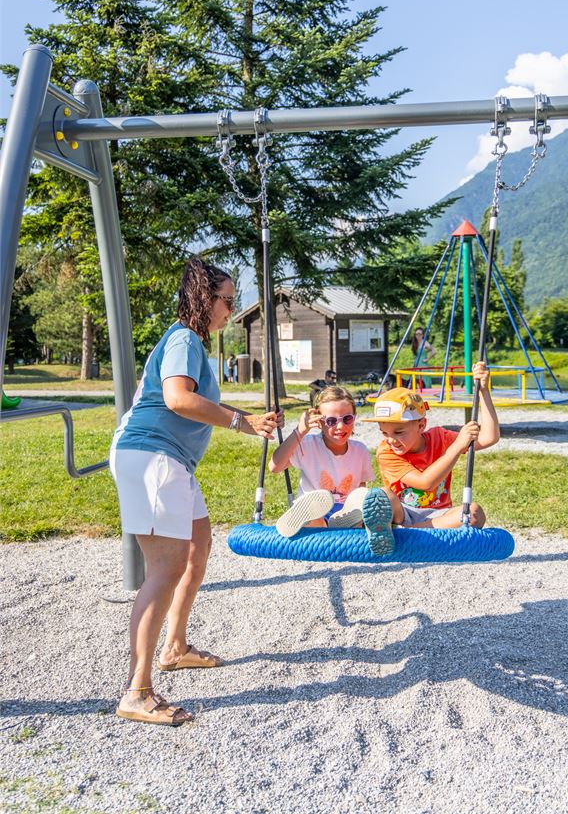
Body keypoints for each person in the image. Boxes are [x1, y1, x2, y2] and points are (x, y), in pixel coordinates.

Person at [110, 257, 284, 726]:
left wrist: (248, 423)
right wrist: (239, 420)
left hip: (169, 462)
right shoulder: (185, 338)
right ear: (204, 300)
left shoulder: (190, 344)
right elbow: (177, 399)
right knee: (164, 570)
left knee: (196, 549)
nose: (232, 308)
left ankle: (175, 647)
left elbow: (197, 400)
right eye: (227, 300)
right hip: (152, 458)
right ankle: (137, 691)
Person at [359, 361, 499, 532]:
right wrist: (456, 447)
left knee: (474, 512)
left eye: (399, 432)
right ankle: (398, 528)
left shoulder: (440, 437)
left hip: (439, 515)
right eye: (384, 433)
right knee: (382, 496)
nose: (391, 440)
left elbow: (489, 437)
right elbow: (425, 483)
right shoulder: (386, 452)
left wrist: (483, 391)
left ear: (421, 426)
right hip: (403, 513)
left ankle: (406, 532)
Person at [269, 386, 393, 554]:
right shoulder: (307, 445)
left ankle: (339, 524)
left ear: (354, 418)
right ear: (319, 422)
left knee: (362, 497)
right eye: (331, 421)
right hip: (314, 508)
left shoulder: (360, 450)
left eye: (347, 419)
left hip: (345, 512)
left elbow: (360, 487)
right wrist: (300, 431)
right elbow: (274, 467)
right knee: (314, 514)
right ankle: (311, 522)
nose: (340, 426)